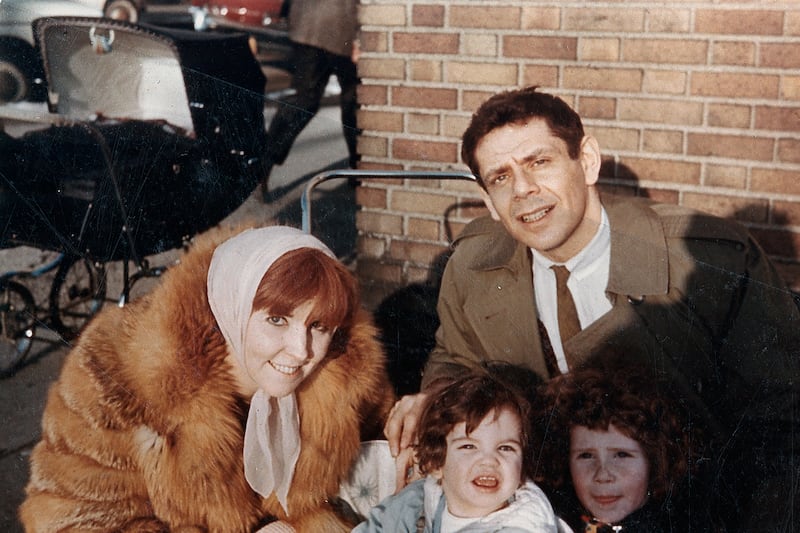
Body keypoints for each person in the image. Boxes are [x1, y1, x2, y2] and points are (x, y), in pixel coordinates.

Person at [384, 86, 800, 530]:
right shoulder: (473, 264)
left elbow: (781, 420)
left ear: (587, 161)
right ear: (487, 201)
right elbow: (458, 358)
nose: (523, 190)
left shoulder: (709, 263)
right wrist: (436, 395)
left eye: (539, 162)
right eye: (500, 177)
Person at [20, 225, 394, 532]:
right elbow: (72, 521)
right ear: (231, 305)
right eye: (276, 320)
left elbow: (385, 454)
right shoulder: (115, 375)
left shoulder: (344, 379)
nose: (300, 350)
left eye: (319, 326)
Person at [354, 367, 562, 532]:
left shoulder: (525, 525)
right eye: (469, 446)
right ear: (437, 464)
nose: (489, 460)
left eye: (506, 448)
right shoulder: (419, 501)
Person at [534, 355, 713, 532]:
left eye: (621, 454)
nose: (603, 475)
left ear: (655, 462)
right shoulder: (551, 519)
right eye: (586, 455)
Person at [260, 0, 360, 200]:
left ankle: (262, 164)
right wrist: (361, 38)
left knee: (304, 98)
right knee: (354, 100)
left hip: (306, 24)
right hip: (342, 26)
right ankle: (359, 169)